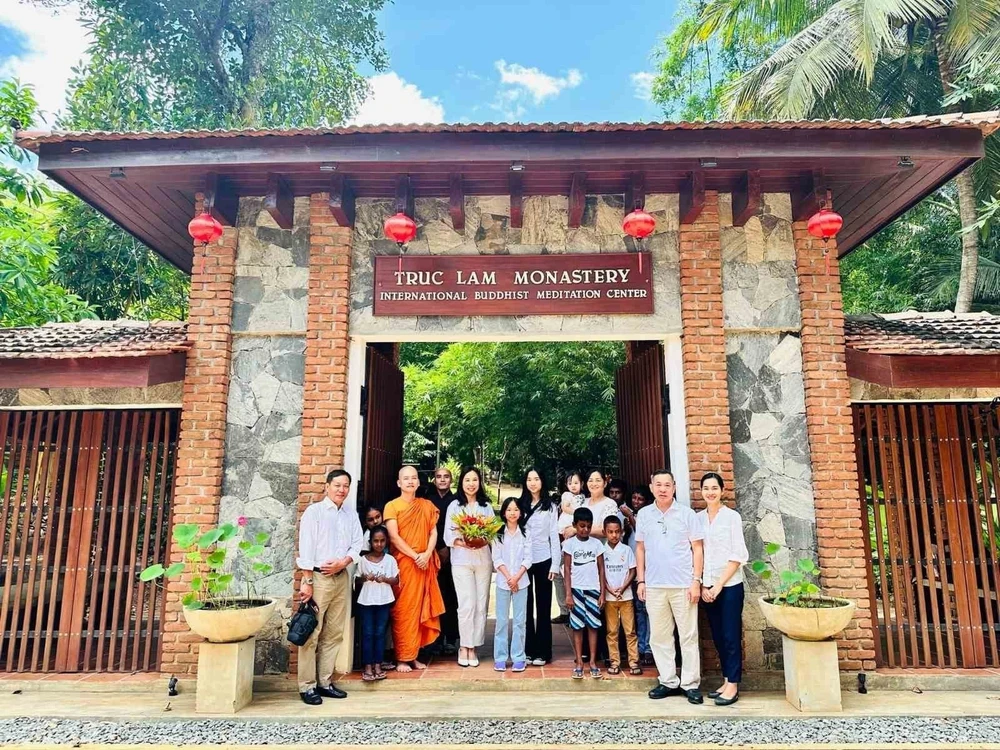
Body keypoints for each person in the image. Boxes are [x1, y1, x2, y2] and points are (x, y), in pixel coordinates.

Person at [636, 469, 705, 704]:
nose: (663, 489)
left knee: (687, 635)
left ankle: (690, 683)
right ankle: (668, 680)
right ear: (651, 486)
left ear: (674, 487)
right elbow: (641, 549)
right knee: (659, 636)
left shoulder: (687, 515)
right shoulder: (644, 514)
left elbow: (697, 548)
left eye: (667, 485)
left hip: (683, 585)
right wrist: (641, 580)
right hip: (655, 586)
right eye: (658, 484)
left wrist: (696, 581)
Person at [295, 468, 364, 705]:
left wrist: (343, 562)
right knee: (311, 633)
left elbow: (357, 544)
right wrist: (307, 581)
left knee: (334, 633)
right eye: (337, 485)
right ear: (327, 486)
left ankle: (325, 682)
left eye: (346, 486)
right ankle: (306, 686)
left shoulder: (350, 514)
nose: (342, 490)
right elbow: (306, 549)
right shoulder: (314, 513)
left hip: (341, 577)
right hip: (318, 578)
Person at [383, 465, 446, 673]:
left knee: (420, 610)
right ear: (399, 483)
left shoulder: (426, 506)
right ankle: (402, 657)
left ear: (419, 483)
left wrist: (427, 554)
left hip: (424, 562)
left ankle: (414, 656)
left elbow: (433, 533)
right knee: (404, 610)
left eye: (414, 478)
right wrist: (415, 555)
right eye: (406, 479)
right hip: (405, 564)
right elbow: (394, 537)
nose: (410, 482)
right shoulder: (392, 506)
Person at [698, 472, 749, 707]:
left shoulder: (732, 517)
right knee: (717, 636)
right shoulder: (698, 519)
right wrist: (702, 584)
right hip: (707, 587)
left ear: (722, 490)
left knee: (730, 635)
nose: (710, 492)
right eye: (706, 488)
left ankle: (734, 685)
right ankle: (726, 679)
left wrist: (718, 585)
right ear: (701, 492)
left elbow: (738, 554)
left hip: (728, 586)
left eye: (714, 488)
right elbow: (695, 553)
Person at [443, 466, 495, 668]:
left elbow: (492, 535)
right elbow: (448, 535)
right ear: (461, 483)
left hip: (483, 560)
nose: (471, 484)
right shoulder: (455, 506)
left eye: (474, 480)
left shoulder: (486, 507)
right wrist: (464, 542)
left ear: (479, 483)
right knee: (466, 604)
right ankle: (464, 646)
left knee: (481, 604)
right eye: (467, 480)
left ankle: (474, 646)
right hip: (462, 560)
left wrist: (481, 539)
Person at [518, 467, 560, 666]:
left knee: (543, 607)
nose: (533, 482)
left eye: (536, 478)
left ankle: (543, 651)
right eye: (529, 479)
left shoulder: (550, 506)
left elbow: (554, 536)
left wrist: (555, 564)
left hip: (544, 559)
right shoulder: (519, 505)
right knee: (525, 607)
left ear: (542, 481)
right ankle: (527, 649)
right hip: (524, 562)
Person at [563, 506, 606, 679]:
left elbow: (601, 569)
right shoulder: (569, 544)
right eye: (581, 526)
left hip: (593, 589)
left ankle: (593, 662)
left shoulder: (596, 544)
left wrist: (602, 593)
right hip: (576, 591)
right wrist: (568, 594)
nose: (585, 529)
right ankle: (579, 661)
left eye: (588, 526)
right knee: (577, 626)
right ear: (574, 525)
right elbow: (566, 569)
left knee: (593, 626)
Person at [492, 497, 532, 672]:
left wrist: (517, 578)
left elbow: (529, 558)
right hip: (503, 582)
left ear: (521, 512)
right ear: (503, 512)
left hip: (521, 583)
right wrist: (510, 578)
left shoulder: (526, 533)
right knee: (501, 621)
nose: (512, 513)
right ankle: (500, 657)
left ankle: (518, 657)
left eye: (516, 509)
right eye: (509, 509)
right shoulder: (498, 533)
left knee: (519, 621)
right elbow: (497, 558)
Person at [356, 525, 399, 682]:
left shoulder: (390, 560)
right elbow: (357, 578)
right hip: (366, 601)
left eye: (382, 541)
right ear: (370, 542)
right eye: (376, 541)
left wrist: (385, 579)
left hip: (384, 600)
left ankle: (378, 665)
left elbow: (396, 580)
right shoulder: (363, 560)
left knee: (380, 633)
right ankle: (368, 666)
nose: (379, 544)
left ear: (386, 542)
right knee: (368, 633)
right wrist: (366, 577)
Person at [602, 515, 641, 676]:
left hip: (626, 597)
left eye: (617, 532)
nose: (614, 535)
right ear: (604, 532)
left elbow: (632, 570)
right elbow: (601, 573)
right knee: (612, 631)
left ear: (622, 532)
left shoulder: (626, 550)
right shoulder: (602, 551)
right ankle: (615, 662)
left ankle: (633, 662)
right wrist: (610, 590)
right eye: (610, 532)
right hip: (610, 598)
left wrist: (623, 587)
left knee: (630, 631)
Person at [427, 466, 459, 656]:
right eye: (438, 476)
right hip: (431, 553)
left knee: (451, 596)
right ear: (434, 479)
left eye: (446, 477)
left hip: (452, 553)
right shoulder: (427, 500)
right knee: (433, 596)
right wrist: (434, 549)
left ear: (451, 480)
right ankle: (434, 638)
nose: (442, 480)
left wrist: (447, 548)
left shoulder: (456, 502)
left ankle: (450, 638)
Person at [623, 485, 655, 666]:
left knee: (648, 610)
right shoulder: (628, 520)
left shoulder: (647, 517)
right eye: (634, 498)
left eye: (640, 499)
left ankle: (649, 647)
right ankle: (640, 647)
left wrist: (631, 517)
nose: (636, 502)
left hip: (648, 571)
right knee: (638, 611)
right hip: (633, 572)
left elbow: (642, 537)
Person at [553, 469, 585, 624]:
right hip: (565, 532)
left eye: (576, 483)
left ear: (582, 484)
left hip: (578, 538)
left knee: (572, 574)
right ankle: (565, 610)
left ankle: (574, 611)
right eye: (570, 483)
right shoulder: (567, 496)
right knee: (561, 573)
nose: (573, 486)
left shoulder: (584, 498)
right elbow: (565, 508)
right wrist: (578, 512)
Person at [582, 469, 621, 540]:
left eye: (598, 480)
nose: (594, 484)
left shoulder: (610, 504)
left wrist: (577, 530)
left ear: (605, 483)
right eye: (590, 480)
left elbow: (606, 530)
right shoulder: (583, 503)